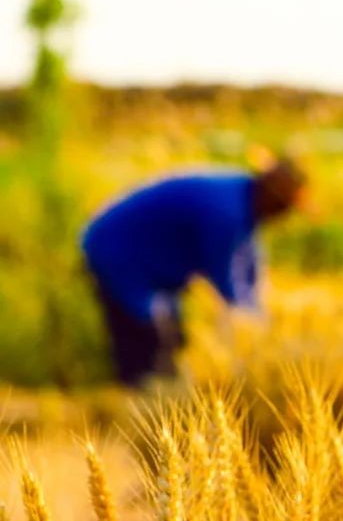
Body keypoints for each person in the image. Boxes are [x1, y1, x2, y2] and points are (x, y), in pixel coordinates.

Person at [82, 158, 306, 385]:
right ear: (272, 198)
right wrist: (256, 322)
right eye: (284, 207)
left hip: (145, 257)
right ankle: (136, 407)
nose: (284, 217)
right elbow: (225, 277)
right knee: (147, 339)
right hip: (117, 253)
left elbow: (249, 261)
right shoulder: (226, 211)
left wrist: (259, 309)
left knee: (173, 338)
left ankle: (159, 397)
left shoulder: (241, 196)